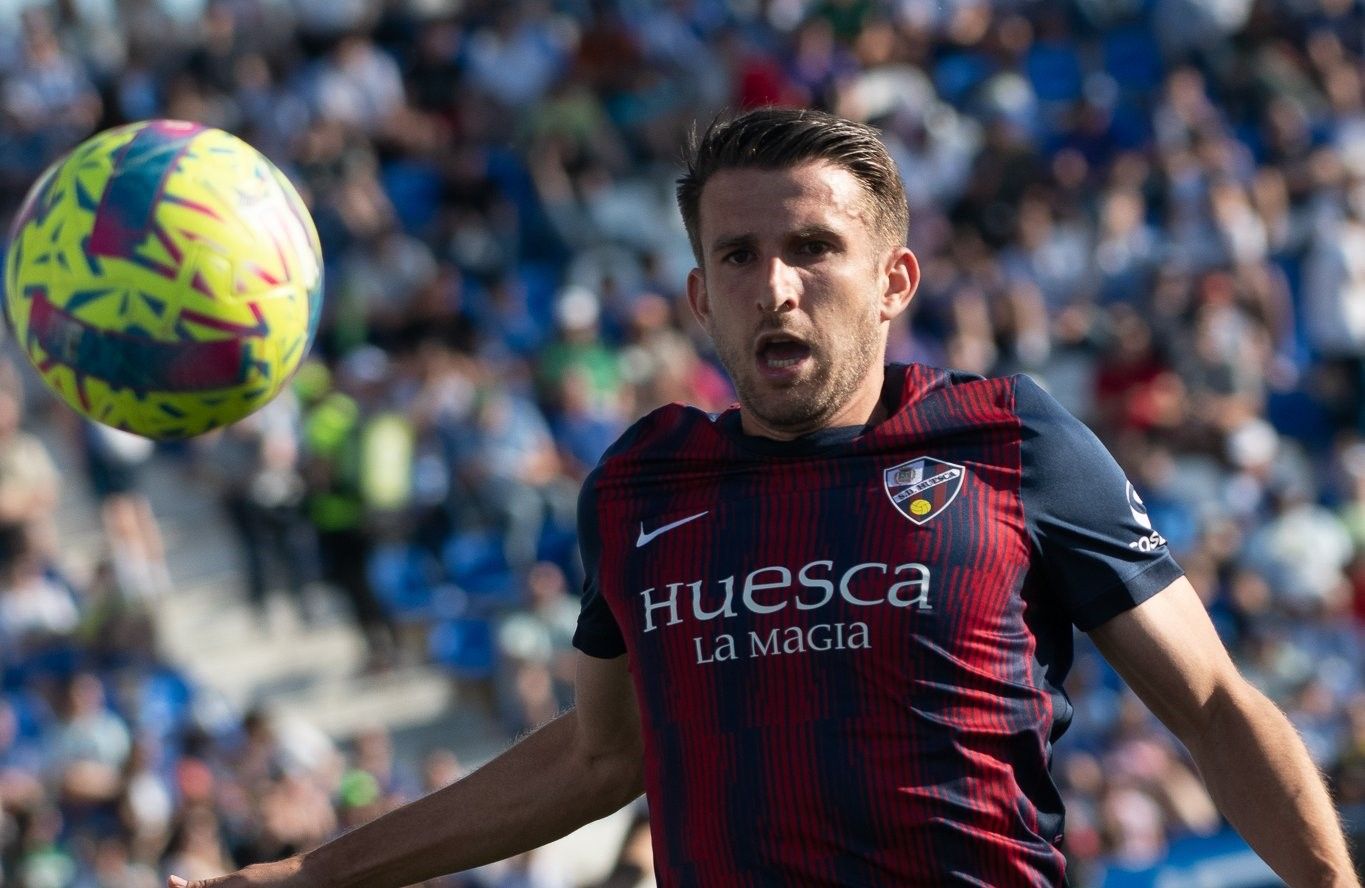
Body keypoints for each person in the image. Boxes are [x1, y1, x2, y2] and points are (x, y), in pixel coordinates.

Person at [168, 108, 1358, 887]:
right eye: (737, 258)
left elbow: (1209, 704)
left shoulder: (1010, 435)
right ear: (697, 294)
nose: (774, 286)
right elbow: (598, 758)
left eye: (811, 249)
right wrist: (314, 876)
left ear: (893, 279)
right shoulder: (640, 485)